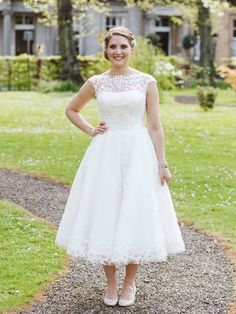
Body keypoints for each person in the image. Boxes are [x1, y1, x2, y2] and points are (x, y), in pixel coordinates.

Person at [55, 26, 186, 307]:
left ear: (131, 49)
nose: (118, 51)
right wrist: (91, 129)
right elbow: (71, 109)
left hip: (138, 152)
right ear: (106, 51)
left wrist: (162, 163)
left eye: (123, 47)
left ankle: (130, 283)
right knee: (107, 212)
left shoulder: (147, 82)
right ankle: (111, 283)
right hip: (105, 152)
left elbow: (155, 125)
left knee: (134, 213)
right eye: (113, 47)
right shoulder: (97, 82)